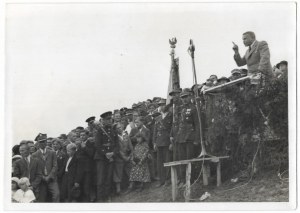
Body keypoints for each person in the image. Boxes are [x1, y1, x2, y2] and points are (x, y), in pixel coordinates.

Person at [176, 89, 200, 185]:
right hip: (181, 137)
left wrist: (197, 139)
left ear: (190, 96)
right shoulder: (181, 109)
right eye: (182, 97)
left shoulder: (194, 108)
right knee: (182, 159)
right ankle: (183, 179)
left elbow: (197, 125)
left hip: (190, 137)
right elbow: (180, 124)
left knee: (190, 159)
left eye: (186, 97)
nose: (184, 99)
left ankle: (191, 180)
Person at [94, 111, 119, 202]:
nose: (109, 121)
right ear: (103, 121)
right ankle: (100, 199)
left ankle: (107, 196)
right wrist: (106, 153)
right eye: (107, 119)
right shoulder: (100, 131)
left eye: (110, 119)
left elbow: (117, 145)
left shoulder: (114, 131)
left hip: (111, 157)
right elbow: (97, 145)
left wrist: (113, 153)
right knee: (100, 179)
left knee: (108, 178)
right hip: (101, 158)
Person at [32, 133, 59, 202]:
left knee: (56, 194)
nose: (43, 143)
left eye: (44, 141)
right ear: (38, 143)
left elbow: (55, 166)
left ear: (46, 142)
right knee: (42, 198)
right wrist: (43, 177)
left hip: (52, 179)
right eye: (41, 142)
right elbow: (35, 169)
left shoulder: (52, 153)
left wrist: (49, 176)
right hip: (41, 181)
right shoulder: (34, 155)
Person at [153, 102, 173, 187]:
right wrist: (154, 143)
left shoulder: (170, 116)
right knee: (160, 163)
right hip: (159, 143)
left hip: (166, 142)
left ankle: (168, 180)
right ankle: (162, 180)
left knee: (167, 161)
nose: (162, 106)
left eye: (163, 104)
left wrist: (171, 142)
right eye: (160, 105)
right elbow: (155, 132)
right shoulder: (158, 118)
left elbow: (172, 130)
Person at [113, 123, 133, 195]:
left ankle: (131, 186)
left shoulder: (126, 135)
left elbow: (130, 146)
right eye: (117, 128)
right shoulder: (115, 138)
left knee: (129, 171)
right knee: (118, 173)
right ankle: (118, 190)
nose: (119, 129)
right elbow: (117, 150)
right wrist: (124, 157)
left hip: (128, 157)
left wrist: (130, 155)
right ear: (115, 130)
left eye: (120, 127)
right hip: (119, 158)